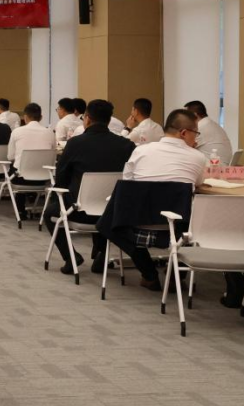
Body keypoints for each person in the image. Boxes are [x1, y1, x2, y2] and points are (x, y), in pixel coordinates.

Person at [117, 109, 208, 289]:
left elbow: (127, 182)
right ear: (184, 133)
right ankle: (175, 275)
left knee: (111, 224)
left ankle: (149, 274)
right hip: (179, 228)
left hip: (137, 223)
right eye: (196, 133)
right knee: (195, 213)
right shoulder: (198, 157)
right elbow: (198, 184)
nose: (196, 138)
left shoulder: (141, 150)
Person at [47, 99, 135, 274]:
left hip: (79, 211)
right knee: (103, 202)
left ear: (86, 118)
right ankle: (101, 253)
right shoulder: (127, 145)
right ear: (109, 120)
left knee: (49, 213)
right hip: (112, 213)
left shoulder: (75, 143)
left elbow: (62, 177)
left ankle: (71, 257)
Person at [184, 100, 233, 165]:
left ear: (194, 115)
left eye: (186, 115)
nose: (184, 118)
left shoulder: (200, 127)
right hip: (222, 164)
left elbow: (184, 147)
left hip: (214, 166)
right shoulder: (211, 124)